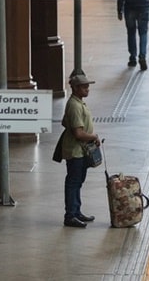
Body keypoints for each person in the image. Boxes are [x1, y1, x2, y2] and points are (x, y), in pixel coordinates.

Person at [60, 73, 101, 228]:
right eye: (84, 87)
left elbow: (65, 122)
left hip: (81, 151)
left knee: (78, 182)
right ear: (75, 88)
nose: (87, 89)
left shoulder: (78, 103)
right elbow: (78, 133)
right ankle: (70, 215)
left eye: (88, 86)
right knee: (73, 182)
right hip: (76, 151)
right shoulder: (75, 106)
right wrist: (93, 137)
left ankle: (76, 211)